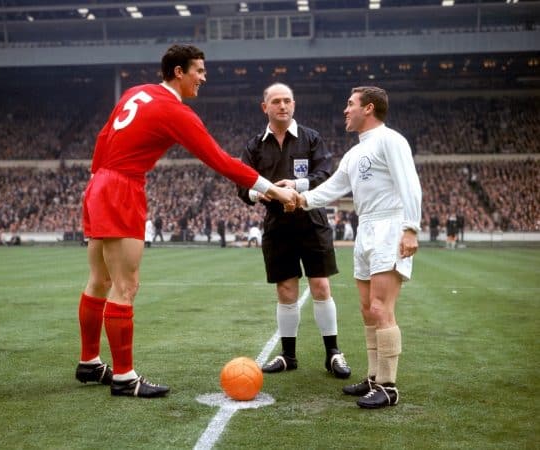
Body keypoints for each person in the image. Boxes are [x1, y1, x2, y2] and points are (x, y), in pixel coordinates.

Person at [75, 44, 297, 399]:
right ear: (178, 72)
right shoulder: (174, 111)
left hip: (99, 181)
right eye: (199, 71)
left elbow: (103, 137)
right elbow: (220, 160)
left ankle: (89, 362)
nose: (203, 78)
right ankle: (124, 377)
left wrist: (98, 181)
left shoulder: (137, 91)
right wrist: (274, 190)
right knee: (125, 286)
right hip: (122, 187)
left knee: (98, 280)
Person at [293, 86, 422, 408]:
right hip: (366, 227)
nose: (345, 110)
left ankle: (388, 387)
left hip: (389, 225)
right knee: (367, 309)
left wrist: (410, 228)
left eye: (350, 105)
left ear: (370, 108)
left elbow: (410, 183)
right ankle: (374, 377)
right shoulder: (354, 153)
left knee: (381, 308)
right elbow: (332, 189)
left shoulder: (391, 140)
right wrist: (299, 199)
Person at [237, 83, 351, 379]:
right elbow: (242, 184)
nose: (282, 106)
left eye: (287, 101)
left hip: (312, 221)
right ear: (265, 107)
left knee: (321, 287)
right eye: (276, 101)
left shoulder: (311, 138)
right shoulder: (254, 146)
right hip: (277, 226)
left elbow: (325, 174)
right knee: (286, 291)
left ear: (294, 105)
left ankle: (333, 353)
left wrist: (295, 185)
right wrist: (259, 194)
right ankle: (288, 355)